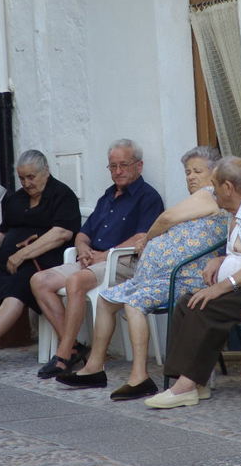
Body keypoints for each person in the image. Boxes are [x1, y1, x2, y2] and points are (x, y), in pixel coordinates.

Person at [55, 146, 228, 400]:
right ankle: (94, 367)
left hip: (182, 279)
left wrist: (149, 237)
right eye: (187, 171)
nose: (190, 176)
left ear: (215, 173)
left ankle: (139, 377)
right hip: (158, 276)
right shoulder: (199, 199)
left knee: (134, 304)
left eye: (197, 171)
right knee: (107, 298)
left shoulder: (210, 194)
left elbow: (167, 218)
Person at [144, 156, 241, 409]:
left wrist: (220, 287)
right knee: (187, 302)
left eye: (215, 186)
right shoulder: (237, 211)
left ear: (228, 187)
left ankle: (185, 387)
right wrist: (221, 260)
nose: (212, 192)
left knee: (206, 306)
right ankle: (195, 383)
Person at [31, 139, 164, 379]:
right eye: (112, 166)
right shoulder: (107, 196)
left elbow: (143, 237)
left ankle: (62, 356)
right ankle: (73, 348)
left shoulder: (148, 197)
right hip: (92, 260)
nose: (118, 171)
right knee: (39, 280)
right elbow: (84, 232)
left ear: (139, 166)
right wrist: (82, 248)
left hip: (123, 262)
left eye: (123, 165)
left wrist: (104, 254)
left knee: (75, 282)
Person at [0, 150, 81, 364]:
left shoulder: (61, 194)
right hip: (12, 260)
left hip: (44, 262)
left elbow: (62, 233)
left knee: (18, 284)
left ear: (46, 171)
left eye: (31, 177)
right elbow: (7, 234)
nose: (27, 183)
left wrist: (22, 254)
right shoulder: (16, 199)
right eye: (22, 178)